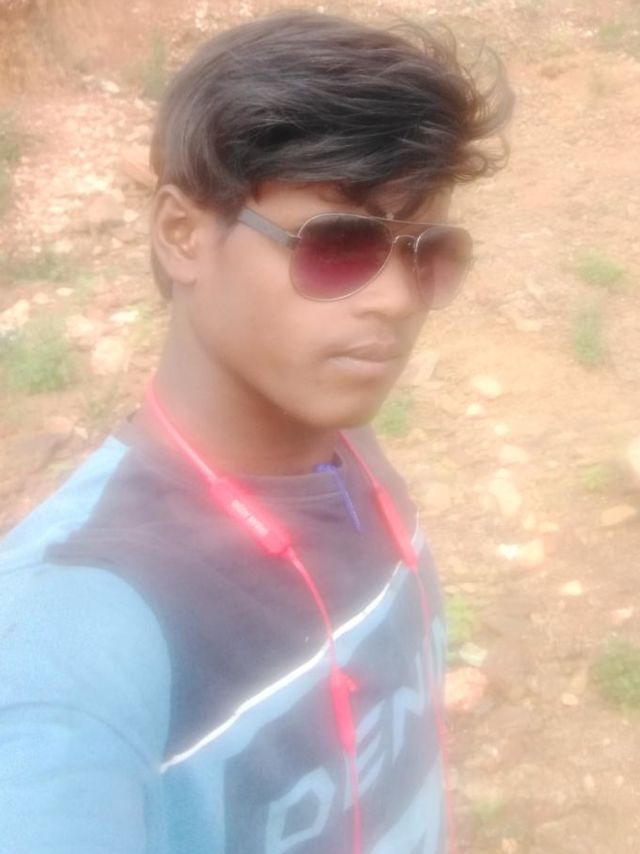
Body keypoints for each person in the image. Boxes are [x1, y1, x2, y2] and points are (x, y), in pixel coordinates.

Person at [0, 11, 512, 854]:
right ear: (181, 235)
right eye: (338, 244)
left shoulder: (349, 456)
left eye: (426, 253)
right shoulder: (68, 641)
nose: (396, 300)